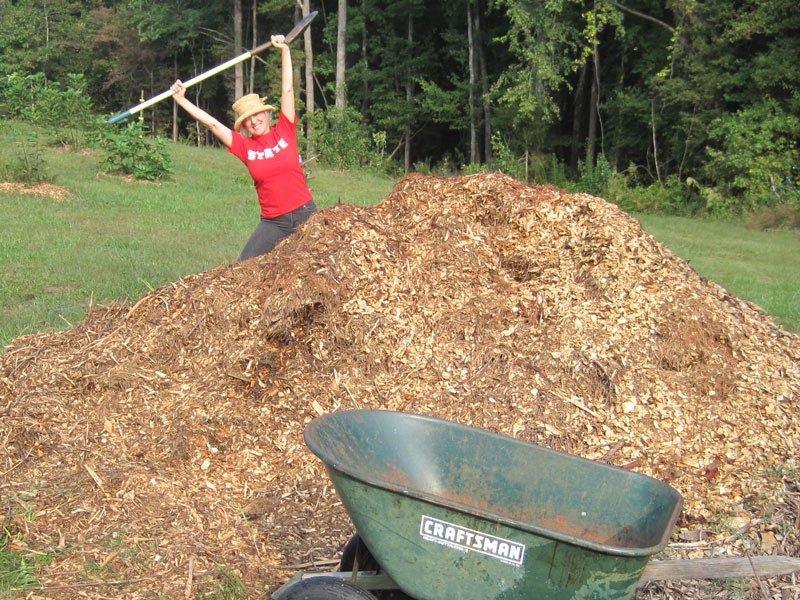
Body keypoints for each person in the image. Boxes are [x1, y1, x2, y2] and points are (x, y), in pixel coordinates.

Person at [170, 34, 317, 261]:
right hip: (274, 222)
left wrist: (284, 51)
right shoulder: (244, 146)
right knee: (244, 268)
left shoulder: (285, 130)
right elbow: (212, 124)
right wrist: (181, 100)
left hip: (306, 213)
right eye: (248, 119)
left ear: (267, 114)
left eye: (257, 114)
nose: (254, 121)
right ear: (243, 125)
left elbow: (288, 90)